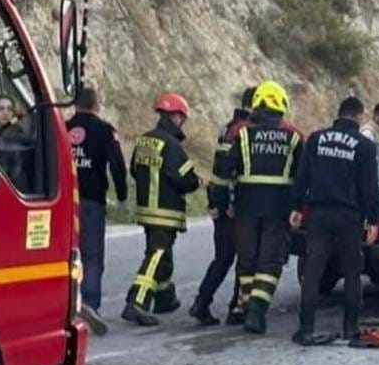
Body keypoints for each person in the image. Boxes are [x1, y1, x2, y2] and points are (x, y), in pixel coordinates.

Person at [290, 96, 379, 345]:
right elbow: (369, 186)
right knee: (352, 272)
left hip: (318, 214)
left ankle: (306, 329)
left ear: (338, 113)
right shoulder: (364, 146)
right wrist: (373, 219)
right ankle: (349, 329)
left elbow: (302, 175)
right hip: (349, 217)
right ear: (359, 116)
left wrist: (297, 206)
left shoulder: (317, 139)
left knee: (313, 271)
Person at [220, 81, 305, 334]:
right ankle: (256, 312)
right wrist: (299, 207)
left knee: (247, 259)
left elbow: (225, 172)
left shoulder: (241, 133)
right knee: (270, 262)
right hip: (279, 209)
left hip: (246, 206)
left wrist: (222, 203)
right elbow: (302, 177)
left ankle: (247, 306)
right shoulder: (295, 136)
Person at [122, 93, 202, 327]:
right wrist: (197, 183)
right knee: (157, 255)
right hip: (165, 211)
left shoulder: (145, 140)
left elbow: (135, 170)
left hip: (147, 210)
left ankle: (166, 298)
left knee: (162, 256)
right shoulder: (172, 146)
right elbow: (185, 179)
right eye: (181, 118)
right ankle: (136, 301)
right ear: (176, 116)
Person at [189, 87, 255, 326]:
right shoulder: (244, 131)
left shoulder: (228, 127)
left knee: (223, 258)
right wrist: (230, 203)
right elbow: (232, 171)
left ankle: (202, 302)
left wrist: (215, 201)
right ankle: (237, 309)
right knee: (245, 259)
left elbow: (218, 171)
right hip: (235, 207)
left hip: (220, 201)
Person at [65, 88, 128, 336]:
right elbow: (117, 165)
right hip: (91, 200)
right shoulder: (104, 130)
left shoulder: (64, 127)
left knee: (67, 253)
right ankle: (90, 304)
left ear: (75, 104)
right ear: (97, 105)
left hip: (66, 200)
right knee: (92, 256)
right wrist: (122, 195)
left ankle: (67, 305)